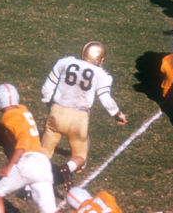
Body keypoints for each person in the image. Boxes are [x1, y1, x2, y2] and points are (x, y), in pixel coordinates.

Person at [40, 42, 127, 188]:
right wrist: (117, 114)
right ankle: (68, 168)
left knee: (44, 152)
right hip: (78, 118)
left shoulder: (65, 62)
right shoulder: (102, 75)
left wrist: (50, 104)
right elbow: (105, 98)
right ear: (99, 59)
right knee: (80, 156)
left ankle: (29, 187)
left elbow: (46, 89)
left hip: (57, 111)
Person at [0, 84, 57, 213]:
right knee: (49, 211)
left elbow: (23, 141)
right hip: (43, 163)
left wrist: (9, 166)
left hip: (28, 162)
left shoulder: (9, 116)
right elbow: (20, 129)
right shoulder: (23, 109)